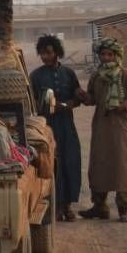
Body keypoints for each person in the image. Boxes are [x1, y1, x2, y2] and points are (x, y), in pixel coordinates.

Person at [84, 36, 127, 220]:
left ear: (117, 56)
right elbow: (92, 99)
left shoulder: (125, 75)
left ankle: (124, 208)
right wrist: (82, 97)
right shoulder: (96, 75)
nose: (106, 58)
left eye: (110, 54)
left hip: (121, 128)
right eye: (103, 54)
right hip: (101, 127)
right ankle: (100, 206)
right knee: (99, 164)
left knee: (122, 167)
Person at [28, 34, 84, 225]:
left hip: (67, 124)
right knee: (51, 164)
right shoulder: (36, 76)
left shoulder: (69, 73)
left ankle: (67, 206)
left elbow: (78, 98)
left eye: (49, 53)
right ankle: (55, 206)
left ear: (57, 53)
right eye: (42, 53)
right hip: (47, 126)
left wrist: (67, 104)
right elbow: (32, 103)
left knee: (70, 162)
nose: (45, 57)